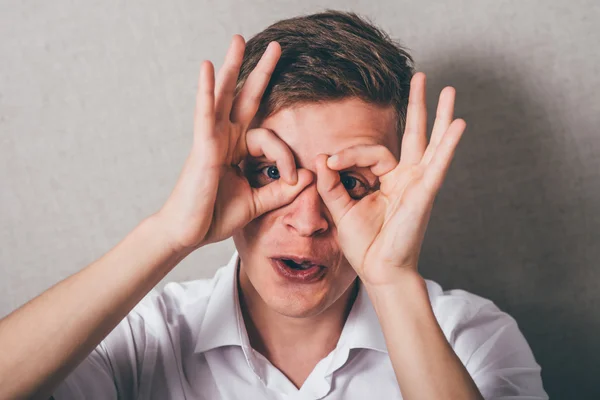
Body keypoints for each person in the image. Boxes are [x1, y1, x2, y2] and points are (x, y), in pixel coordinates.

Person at [0, 10, 548, 400]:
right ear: (228, 172)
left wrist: (391, 279)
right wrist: (170, 232)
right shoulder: (146, 337)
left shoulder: (470, 338)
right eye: (271, 171)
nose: (308, 222)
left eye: (351, 183)